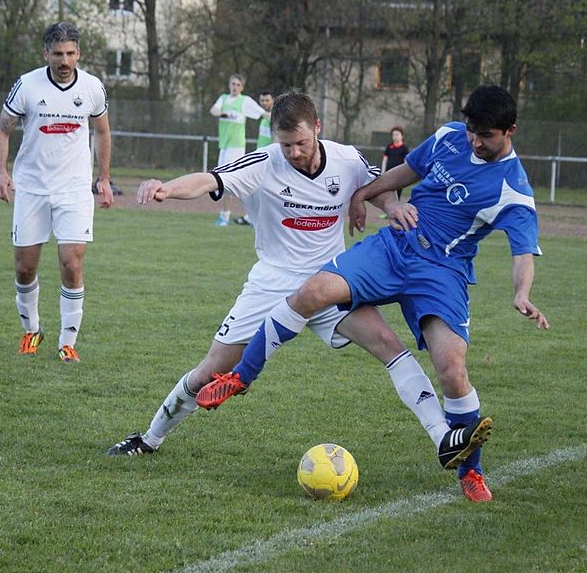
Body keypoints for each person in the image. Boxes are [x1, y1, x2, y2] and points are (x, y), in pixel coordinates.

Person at [197, 85, 550, 503]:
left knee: (452, 369)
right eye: (472, 130)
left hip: (442, 272)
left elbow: (523, 251)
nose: (475, 140)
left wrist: (521, 293)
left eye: (486, 135)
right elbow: (406, 172)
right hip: (394, 247)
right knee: (312, 292)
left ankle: (470, 472)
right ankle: (241, 376)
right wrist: (364, 194)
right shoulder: (450, 136)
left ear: (510, 131)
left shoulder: (514, 188)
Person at [108, 92, 489, 478]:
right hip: (272, 281)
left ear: (318, 128)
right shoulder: (264, 162)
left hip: (331, 279)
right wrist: (167, 188)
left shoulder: (347, 159)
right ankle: (150, 438)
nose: (293, 152)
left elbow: (378, 185)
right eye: (285, 144)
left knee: (389, 346)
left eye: (301, 143)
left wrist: (390, 207)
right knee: (211, 369)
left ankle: (443, 439)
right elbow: (210, 180)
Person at [0, 21, 114, 364]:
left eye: (71, 53)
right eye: (58, 54)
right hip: (31, 188)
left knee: (71, 262)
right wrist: (1, 172)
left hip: (74, 189)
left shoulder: (92, 88)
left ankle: (67, 342)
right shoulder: (27, 85)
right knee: (25, 268)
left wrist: (103, 178)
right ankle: (31, 331)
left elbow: (102, 133)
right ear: (46, 53)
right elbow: (3, 129)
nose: (65, 61)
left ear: (79, 54)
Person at [209, 74, 267, 226]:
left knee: (229, 180)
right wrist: (224, 113)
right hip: (224, 145)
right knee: (222, 180)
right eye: (233, 83)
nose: (235, 87)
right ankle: (238, 216)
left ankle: (226, 217)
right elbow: (214, 111)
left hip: (236, 146)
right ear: (229, 84)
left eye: (238, 85)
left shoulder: (245, 101)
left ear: (242, 87)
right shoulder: (223, 99)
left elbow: (262, 113)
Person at [234, 90, 275, 227]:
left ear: (272, 100)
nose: (264, 103)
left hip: (268, 159)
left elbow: (276, 140)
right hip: (260, 156)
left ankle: (257, 218)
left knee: (263, 189)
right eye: (262, 100)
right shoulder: (263, 117)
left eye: (267, 100)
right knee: (255, 189)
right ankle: (251, 217)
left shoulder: (273, 118)